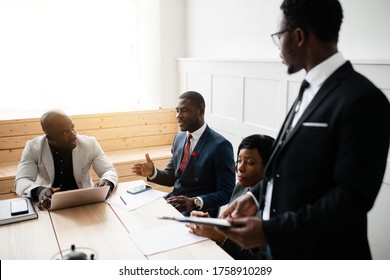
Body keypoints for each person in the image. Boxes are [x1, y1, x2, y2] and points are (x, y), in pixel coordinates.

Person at [218, 0, 390, 260]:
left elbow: (351, 200)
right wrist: (254, 198)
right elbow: (289, 170)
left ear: (298, 36)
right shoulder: (308, 89)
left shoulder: (363, 98)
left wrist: (270, 232)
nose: (278, 47)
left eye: (279, 37)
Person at [132, 91, 235, 217]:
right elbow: (171, 177)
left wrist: (195, 202)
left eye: (184, 111)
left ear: (201, 111)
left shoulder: (220, 146)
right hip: (174, 202)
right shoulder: (179, 138)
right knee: (140, 215)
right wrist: (153, 173)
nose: (178, 116)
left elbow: (227, 193)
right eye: (177, 110)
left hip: (198, 212)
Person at [187, 134, 275, 259]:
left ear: (268, 167)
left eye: (249, 163)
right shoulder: (240, 187)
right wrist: (208, 223)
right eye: (239, 160)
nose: (240, 168)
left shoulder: (273, 206)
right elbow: (230, 226)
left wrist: (220, 237)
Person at [15, 110, 118, 210]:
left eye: (73, 128)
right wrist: (40, 191)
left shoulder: (90, 144)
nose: (74, 135)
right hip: (49, 205)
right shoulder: (33, 148)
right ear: (50, 137)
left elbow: (108, 170)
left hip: (84, 202)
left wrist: (107, 181)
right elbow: (21, 181)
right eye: (65, 132)